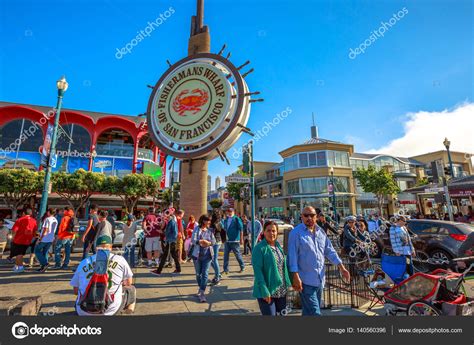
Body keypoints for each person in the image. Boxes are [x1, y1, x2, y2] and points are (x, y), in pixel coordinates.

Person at [288, 206, 350, 316]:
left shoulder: (321, 232)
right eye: (306, 215)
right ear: (301, 217)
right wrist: (295, 276)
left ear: (316, 217)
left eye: (312, 215)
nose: (309, 218)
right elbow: (292, 257)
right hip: (305, 281)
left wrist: (342, 268)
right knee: (315, 313)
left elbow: (330, 251)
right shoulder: (295, 233)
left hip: (320, 280)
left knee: (308, 313)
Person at [70, 235, 136, 315]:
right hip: (110, 310)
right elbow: (129, 282)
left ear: (96, 248)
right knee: (131, 289)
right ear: (111, 247)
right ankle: (130, 309)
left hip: (84, 310)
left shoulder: (84, 262)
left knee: (81, 293)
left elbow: (75, 291)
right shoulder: (120, 259)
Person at [252, 221, 291, 316]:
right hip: (267, 291)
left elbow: (283, 267)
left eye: (274, 231)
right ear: (263, 232)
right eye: (268, 230)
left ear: (277, 232)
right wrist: (264, 290)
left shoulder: (278, 246)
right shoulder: (259, 248)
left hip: (281, 291)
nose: (271, 233)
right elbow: (258, 271)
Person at [190, 215, 216, 303]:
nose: (209, 222)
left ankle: (202, 292)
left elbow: (214, 242)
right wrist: (200, 241)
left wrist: (208, 243)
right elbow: (193, 240)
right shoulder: (197, 229)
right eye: (208, 221)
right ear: (203, 221)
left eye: (210, 221)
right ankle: (201, 288)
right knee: (198, 274)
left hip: (207, 256)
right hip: (197, 256)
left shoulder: (210, 230)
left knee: (205, 274)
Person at [152, 208, 181, 275]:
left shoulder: (172, 222)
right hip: (170, 241)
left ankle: (159, 271)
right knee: (173, 255)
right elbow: (170, 232)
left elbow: (175, 233)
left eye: (165, 214)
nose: (164, 216)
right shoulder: (171, 222)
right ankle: (178, 269)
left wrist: (163, 233)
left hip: (170, 241)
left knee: (166, 255)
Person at [10, 208, 37, 272]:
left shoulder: (19, 220)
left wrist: (13, 238)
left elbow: (14, 230)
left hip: (18, 239)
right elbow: (34, 231)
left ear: (23, 213)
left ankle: (20, 267)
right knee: (19, 253)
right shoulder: (34, 221)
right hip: (28, 240)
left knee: (19, 254)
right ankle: (16, 266)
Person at [223, 208, 245, 274]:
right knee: (225, 255)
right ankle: (226, 269)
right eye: (228, 211)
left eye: (231, 211)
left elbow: (241, 229)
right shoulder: (226, 219)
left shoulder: (236, 219)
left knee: (237, 255)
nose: (229, 212)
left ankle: (242, 266)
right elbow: (225, 229)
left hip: (235, 240)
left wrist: (241, 239)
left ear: (233, 212)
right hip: (227, 240)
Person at [209, 212, 223, 285]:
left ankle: (217, 277)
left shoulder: (213, 224)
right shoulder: (220, 223)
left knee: (214, 259)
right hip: (218, 242)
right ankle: (218, 274)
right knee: (211, 259)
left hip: (215, 243)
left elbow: (211, 234)